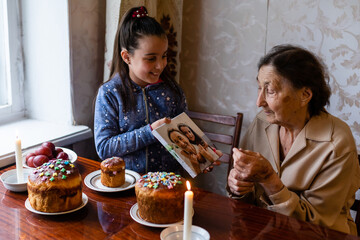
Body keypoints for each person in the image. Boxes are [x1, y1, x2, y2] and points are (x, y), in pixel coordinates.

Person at [227, 44, 360, 235]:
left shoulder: (336, 141)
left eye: (270, 90)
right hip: (263, 230)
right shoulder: (262, 122)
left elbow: (317, 227)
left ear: (305, 95)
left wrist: (269, 179)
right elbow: (243, 202)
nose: (259, 102)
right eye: (259, 88)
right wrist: (238, 187)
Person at [94, 6, 187, 174]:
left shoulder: (173, 91)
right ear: (127, 57)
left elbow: (183, 140)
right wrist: (151, 131)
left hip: (168, 187)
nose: (160, 65)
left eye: (164, 55)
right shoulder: (110, 94)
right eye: (151, 58)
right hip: (127, 188)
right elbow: (104, 148)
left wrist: (202, 157)